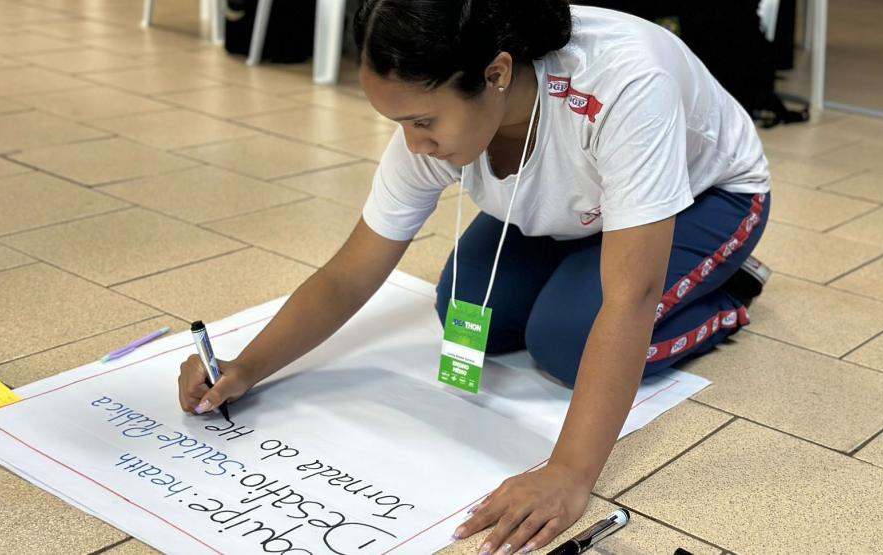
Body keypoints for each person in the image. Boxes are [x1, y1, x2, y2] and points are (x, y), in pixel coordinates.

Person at [178, 1, 772, 553]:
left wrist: (567, 472)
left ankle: (729, 291)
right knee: (465, 306)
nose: (414, 144)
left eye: (423, 122)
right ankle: (586, 259)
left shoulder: (627, 84)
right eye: (400, 123)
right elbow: (351, 272)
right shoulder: (443, 109)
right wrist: (246, 366)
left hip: (705, 196)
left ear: (495, 75)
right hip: (577, 210)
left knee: (565, 342)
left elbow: (632, 296)